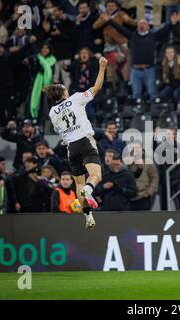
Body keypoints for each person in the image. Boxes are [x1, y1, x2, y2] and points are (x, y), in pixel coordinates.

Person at [46, 56, 108, 230]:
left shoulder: (52, 113)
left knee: (78, 183)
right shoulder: (75, 98)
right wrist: (102, 68)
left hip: (71, 148)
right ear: (64, 92)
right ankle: (89, 190)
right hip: (85, 141)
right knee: (95, 176)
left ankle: (88, 216)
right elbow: (97, 88)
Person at [107, 11, 180, 101]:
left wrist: (172, 22)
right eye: (140, 23)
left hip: (149, 70)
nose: (142, 25)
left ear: (148, 26)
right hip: (135, 71)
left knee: (153, 93)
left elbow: (165, 29)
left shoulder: (153, 36)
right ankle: (137, 112)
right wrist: (110, 21)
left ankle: (155, 112)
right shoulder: (132, 36)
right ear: (137, 26)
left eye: (144, 23)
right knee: (136, 94)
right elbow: (121, 29)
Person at [125, 140, 159, 211]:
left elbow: (155, 178)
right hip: (129, 196)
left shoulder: (148, 162)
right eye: (133, 148)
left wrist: (149, 192)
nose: (135, 150)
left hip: (143, 195)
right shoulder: (127, 161)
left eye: (137, 148)